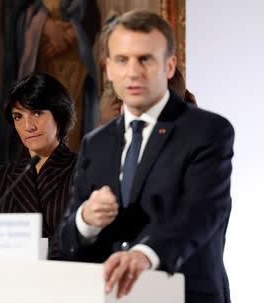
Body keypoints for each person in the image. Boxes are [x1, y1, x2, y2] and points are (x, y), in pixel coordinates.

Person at [57, 9, 233, 303]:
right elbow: (68, 241)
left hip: (185, 294)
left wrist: (144, 255)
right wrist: (86, 220)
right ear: (108, 68)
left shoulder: (208, 130)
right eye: (123, 60)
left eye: (145, 59)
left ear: (169, 65)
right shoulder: (95, 143)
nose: (133, 72)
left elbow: (201, 213)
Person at [0, 0, 100, 168]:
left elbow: (93, 16)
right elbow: (13, 16)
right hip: (38, 63)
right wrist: (43, 26)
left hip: (75, 65)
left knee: (70, 129)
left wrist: (71, 35)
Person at [0, 73, 77, 259]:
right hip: (13, 279)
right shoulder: (0, 179)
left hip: (68, 277)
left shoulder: (84, 170)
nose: (28, 126)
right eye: (18, 117)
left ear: (59, 116)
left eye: (37, 113)